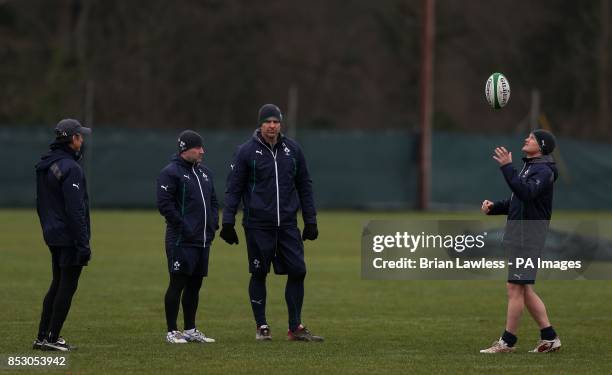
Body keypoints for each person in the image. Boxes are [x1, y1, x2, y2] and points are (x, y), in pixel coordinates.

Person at [221, 104, 323, 342]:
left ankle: (295, 327)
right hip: (258, 224)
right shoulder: (246, 151)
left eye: (275, 121)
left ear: (280, 124)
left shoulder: (293, 150)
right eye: (267, 121)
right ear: (260, 124)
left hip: (287, 224)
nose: (272, 125)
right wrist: (228, 222)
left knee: (299, 270)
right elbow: (233, 188)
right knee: (259, 272)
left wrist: (310, 220)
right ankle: (262, 326)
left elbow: (305, 186)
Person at [480, 129, 561, 353]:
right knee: (523, 289)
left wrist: (507, 167)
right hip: (521, 235)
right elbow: (518, 200)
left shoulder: (544, 171)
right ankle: (549, 337)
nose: (527, 139)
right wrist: (494, 207)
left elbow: (525, 193)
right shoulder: (531, 167)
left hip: (530, 236)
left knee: (515, 288)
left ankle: (507, 342)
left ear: (542, 146)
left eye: (532, 138)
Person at [34, 119, 92, 351]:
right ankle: (51, 338)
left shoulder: (46, 164)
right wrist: (83, 243)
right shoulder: (71, 168)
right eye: (80, 135)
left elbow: (41, 203)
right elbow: (75, 210)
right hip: (68, 236)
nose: (83, 140)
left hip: (52, 233)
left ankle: (42, 337)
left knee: (57, 283)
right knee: (67, 285)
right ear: (72, 139)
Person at [156, 130, 218, 344]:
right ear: (185, 149)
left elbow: (213, 202)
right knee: (177, 283)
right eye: (197, 147)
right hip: (181, 240)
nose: (202, 151)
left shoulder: (205, 173)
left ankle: (190, 330)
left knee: (195, 286)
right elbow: (165, 205)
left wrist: (212, 225)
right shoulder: (170, 173)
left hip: (202, 240)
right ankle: (172, 331)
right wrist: (184, 227)